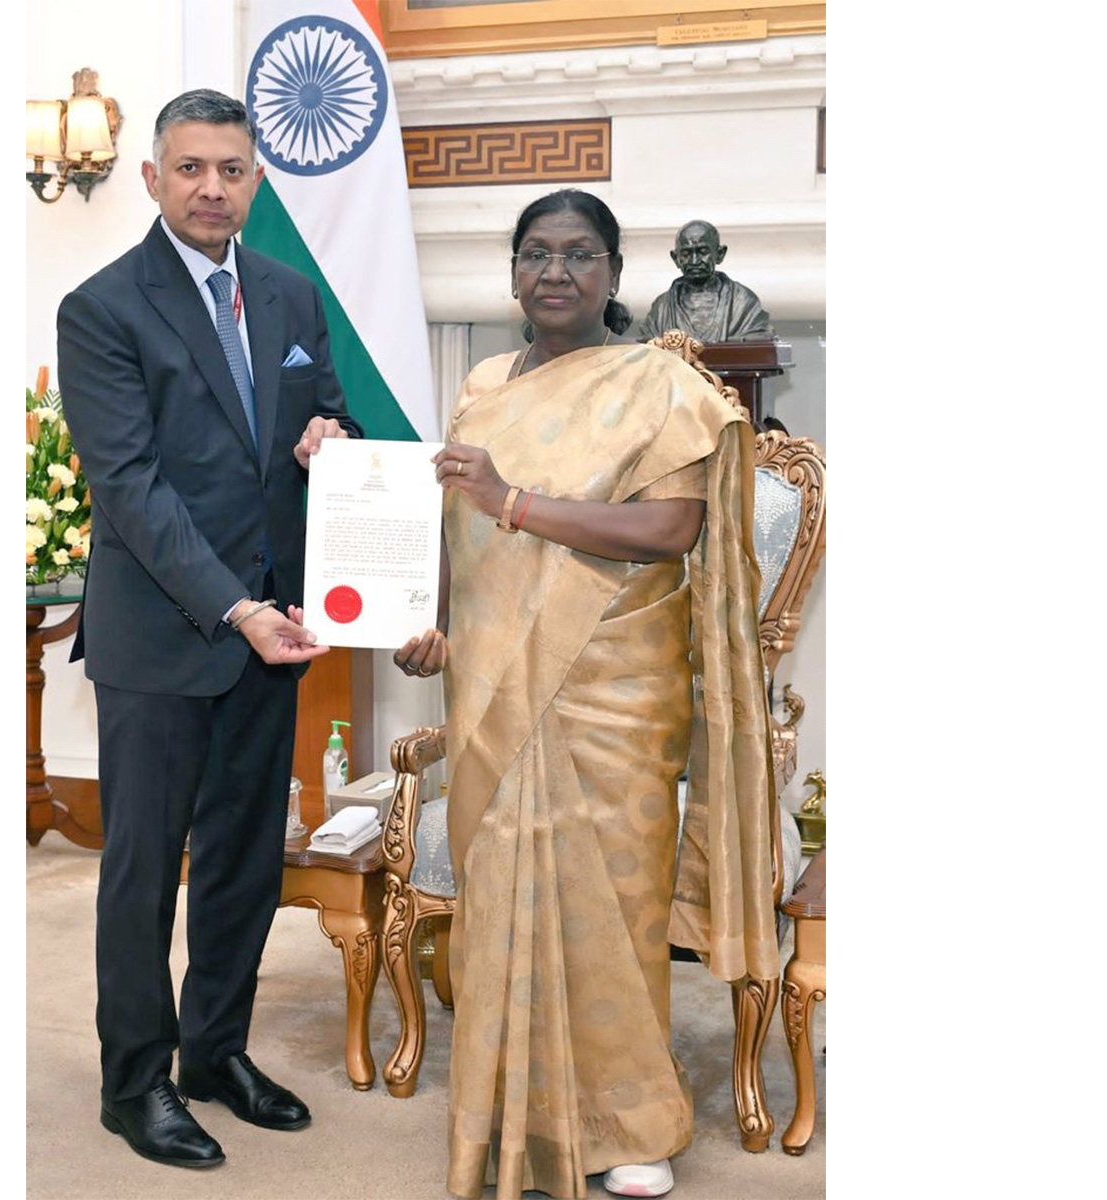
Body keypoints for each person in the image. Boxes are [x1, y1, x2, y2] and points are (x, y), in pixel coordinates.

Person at [393, 190, 778, 1199]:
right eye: (534, 254)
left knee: (612, 901)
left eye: (576, 255)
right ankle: (508, 1111)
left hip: (617, 681)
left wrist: (513, 501)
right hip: (491, 680)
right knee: (499, 898)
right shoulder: (480, 384)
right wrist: (427, 618)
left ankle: (626, 1128)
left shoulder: (659, 385)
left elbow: (671, 532)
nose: (553, 272)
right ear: (511, 272)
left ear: (613, 273)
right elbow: (453, 523)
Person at [56, 88, 362, 1171]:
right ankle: (132, 1082)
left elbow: (331, 415)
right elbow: (130, 488)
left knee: (242, 857)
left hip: (274, 628)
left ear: (257, 180)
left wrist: (330, 431)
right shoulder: (99, 308)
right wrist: (231, 607)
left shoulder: (287, 294)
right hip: (166, 635)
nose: (211, 187)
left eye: (230, 169)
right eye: (189, 168)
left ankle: (213, 1052)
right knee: (144, 869)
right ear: (151, 178)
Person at [636, 218, 774, 344]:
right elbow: (649, 347)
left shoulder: (743, 302)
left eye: (702, 252)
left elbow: (759, 339)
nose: (695, 261)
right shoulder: (661, 308)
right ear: (675, 258)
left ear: (719, 254)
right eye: (686, 254)